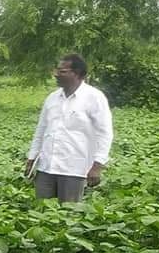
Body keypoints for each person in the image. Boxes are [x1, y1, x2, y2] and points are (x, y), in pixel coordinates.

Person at [26, 53, 113, 203]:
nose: (56, 74)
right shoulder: (52, 98)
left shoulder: (94, 97)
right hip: (46, 167)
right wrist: (31, 158)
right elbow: (41, 130)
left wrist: (97, 166)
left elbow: (105, 134)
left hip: (74, 169)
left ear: (77, 74)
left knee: (68, 214)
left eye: (62, 71)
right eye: (57, 70)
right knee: (42, 212)